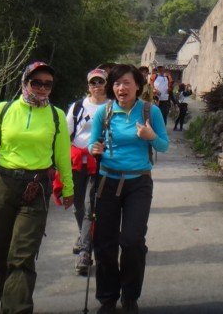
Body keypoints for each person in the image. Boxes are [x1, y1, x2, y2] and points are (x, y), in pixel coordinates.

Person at [0, 61, 74, 314]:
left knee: (22, 256)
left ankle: (17, 309)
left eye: (48, 84)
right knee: (0, 254)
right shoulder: (4, 109)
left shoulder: (56, 116)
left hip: (36, 188)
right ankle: (7, 300)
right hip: (3, 185)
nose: (42, 88)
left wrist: (68, 188)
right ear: (25, 82)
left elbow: (63, 155)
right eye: (36, 82)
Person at [88, 64, 169, 313]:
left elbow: (164, 145)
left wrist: (150, 137)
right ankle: (107, 298)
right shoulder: (104, 112)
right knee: (105, 243)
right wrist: (94, 148)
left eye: (126, 82)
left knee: (133, 241)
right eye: (116, 83)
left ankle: (130, 296)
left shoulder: (150, 111)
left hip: (138, 183)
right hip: (107, 181)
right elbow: (93, 143)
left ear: (137, 85)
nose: (121, 88)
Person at [56, 68, 108, 276]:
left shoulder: (111, 107)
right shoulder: (78, 107)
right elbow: (66, 132)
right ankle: (83, 234)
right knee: (77, 204)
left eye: (100, 82)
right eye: (93, 82)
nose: (97, 86)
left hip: (99, 161)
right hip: (77, 160)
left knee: (89, 206)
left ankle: (85, 252)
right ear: (88, 85)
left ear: (106, 84)